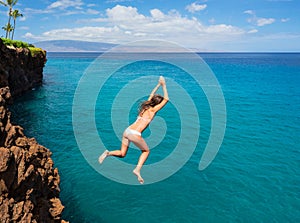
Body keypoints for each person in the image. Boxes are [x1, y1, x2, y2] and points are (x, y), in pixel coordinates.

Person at [98, 76, 169, 184]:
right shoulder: (153, 110)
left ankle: (108, 153)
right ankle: (137, 169)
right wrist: (163, 85)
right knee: (146, 151)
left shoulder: (145, 107)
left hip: (127, 131)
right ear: (157, 104)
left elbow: (150, 96)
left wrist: (158, 85)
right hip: (135, 134)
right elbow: (166, 99)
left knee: (122, 154)